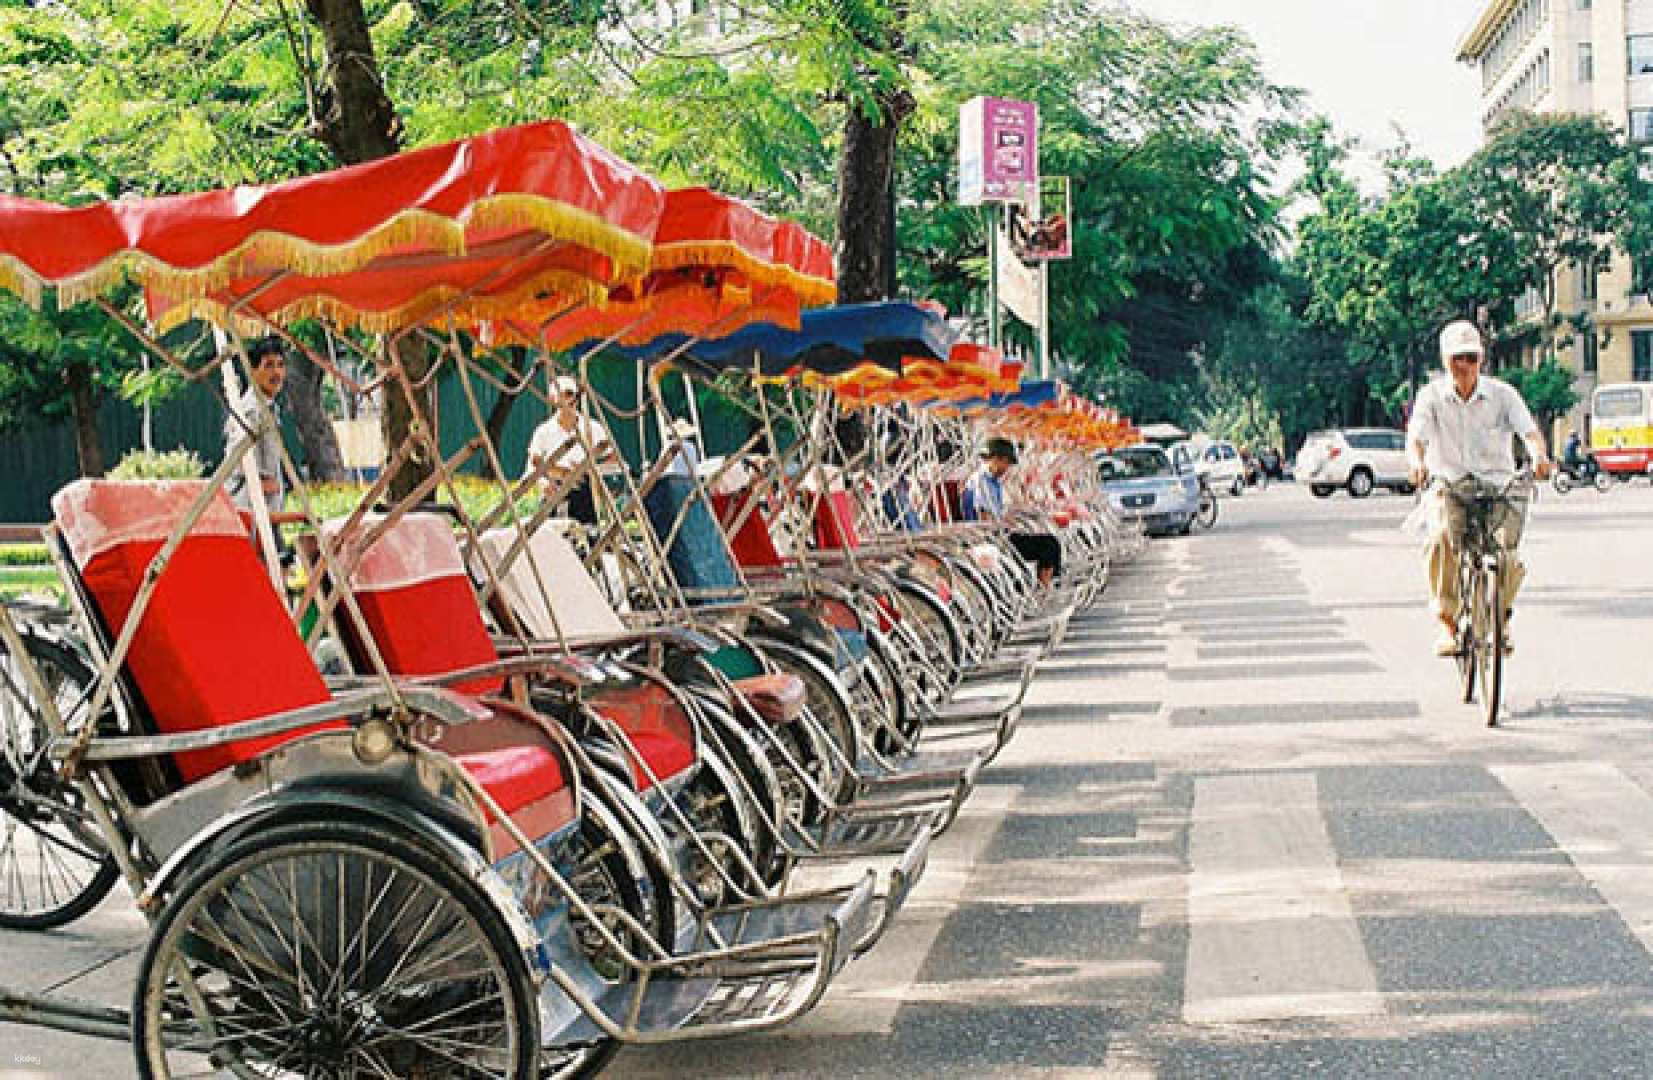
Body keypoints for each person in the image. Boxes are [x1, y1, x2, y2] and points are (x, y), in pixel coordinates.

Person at [1406, 321, 1554, 657]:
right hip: (1450, 485)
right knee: (1440, 537)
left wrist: (1539, 456)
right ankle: (1447, 622)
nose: (1464, 366)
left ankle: (1499, 616)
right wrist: (1416, 462)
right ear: (1445, 360)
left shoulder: (1503, 395)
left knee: (1508, 555)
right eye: (1457, 358)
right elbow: (1416, 437)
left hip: (1498, 486)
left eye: (1471, 358)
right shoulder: (1431, 398)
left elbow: (1528, 432)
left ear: (1481, 359)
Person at [961, 436, 1061, 586]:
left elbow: (998, 511)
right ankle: (1044, 587)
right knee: (1048, 545)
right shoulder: (980, 481)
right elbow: (984, 515)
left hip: (1000, 533)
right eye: (1006, 463)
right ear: (996, 458)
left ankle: (1045, 584)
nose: (1007, 468)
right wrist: (1002, 527)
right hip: (990, 537)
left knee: (1050, 542)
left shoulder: (994, 482)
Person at [526, 375, 618, 524]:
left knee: (588, 536)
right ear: (553, 398)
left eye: (569, 394)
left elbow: (612, 457)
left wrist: (590, 470)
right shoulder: (544, 431)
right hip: (553, 489)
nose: (566, 400)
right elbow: (534, 461)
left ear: (576, 397)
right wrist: (547, 479)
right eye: (561, 394)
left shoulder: (592, 427)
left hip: (585, 489)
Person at [223, 337, 288, 519]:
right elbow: (241, 462)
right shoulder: (250, 411)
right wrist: (265, 484)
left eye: (280, 365)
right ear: (252, 371)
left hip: (267, 511)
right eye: (268, 365)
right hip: (251, 514)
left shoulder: (270, 408)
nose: (276, 372)